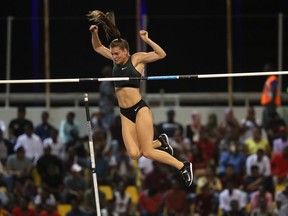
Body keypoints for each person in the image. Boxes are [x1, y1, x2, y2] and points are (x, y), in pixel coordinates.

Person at [87, 9, 193, 187]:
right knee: (135, 154)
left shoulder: (136, 59)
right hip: (125, 112)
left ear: (126, 52)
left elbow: (161, 54)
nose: (113, 57)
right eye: (112, 54)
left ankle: (183, 166)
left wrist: (147, 40)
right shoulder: (114, 61)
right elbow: (97, 47)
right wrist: (94, 33)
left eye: (117, 54)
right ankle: (161, 142)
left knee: (148, 152)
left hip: (139, 109)